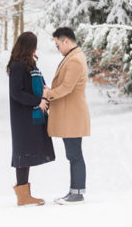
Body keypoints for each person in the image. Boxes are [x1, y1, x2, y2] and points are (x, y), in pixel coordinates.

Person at [43, 26, 92, 204]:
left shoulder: (75, 60)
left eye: (57, 45)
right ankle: (74, 190)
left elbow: (67, 87)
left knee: (74, 154)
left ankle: (77, 192)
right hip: (71, 115)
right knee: (73, 154)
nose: (58, 49)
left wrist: (49, 93)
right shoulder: (72, 57)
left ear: (66, 41)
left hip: (73, 115)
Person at [6, 31, 55, 206]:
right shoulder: (18, 66)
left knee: (25, 153)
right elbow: (16, 93)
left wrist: (45, 91)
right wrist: (38, 100)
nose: (37, 48)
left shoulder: (29, 64)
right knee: (22, 153)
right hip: (23, 117)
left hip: (31, 115)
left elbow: (35, 84)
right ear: (28, 47)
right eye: (34, 45)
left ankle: (24, 195)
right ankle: (23, 195)